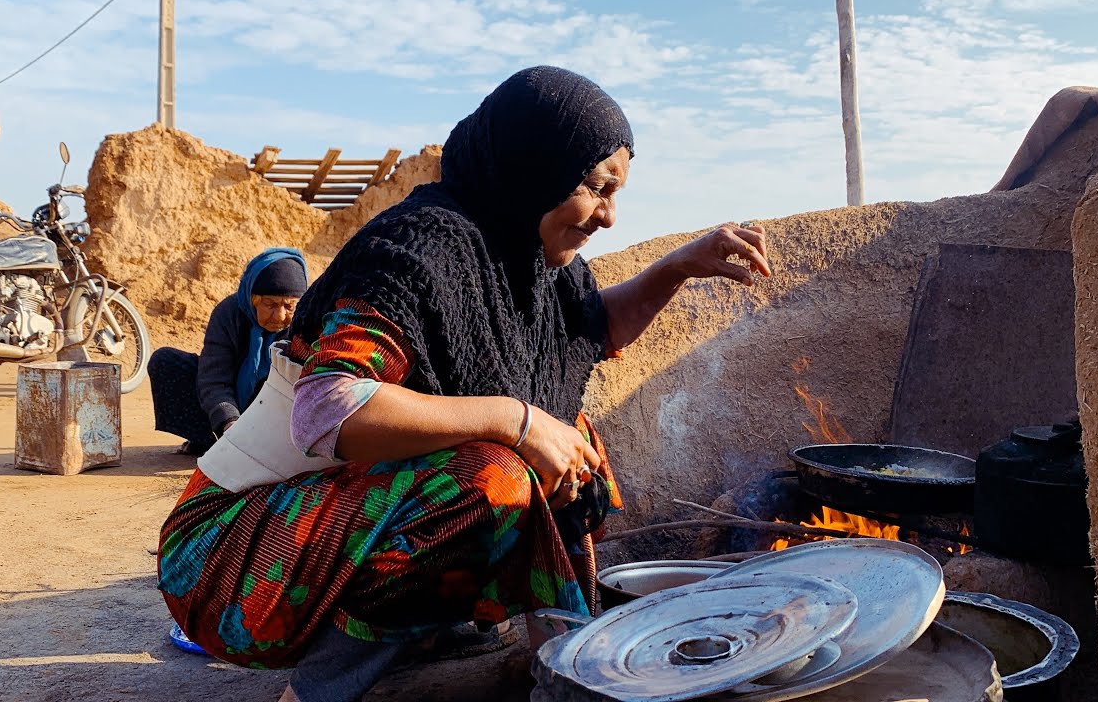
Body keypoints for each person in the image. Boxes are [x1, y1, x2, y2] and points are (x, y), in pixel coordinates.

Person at [157, 66, 771, 702]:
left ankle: (541, 651)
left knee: (571, 444)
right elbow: (327, 410)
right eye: (596, 188)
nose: (609, 217)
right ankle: (320, 689)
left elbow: (590, 329)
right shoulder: (416, 248)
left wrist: (676, 268)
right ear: (537, 165)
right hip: (225, 558)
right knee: (493, 477)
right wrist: (516, 420)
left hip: (312, 529)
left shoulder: (521, 256)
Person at [147, 248, 309, 456]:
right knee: (166, 361)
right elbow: (214, 376)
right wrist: (229, 420)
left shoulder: (307, 320)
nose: (279, 316)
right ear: (253, 299)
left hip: (277, 409)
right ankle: (210, 440)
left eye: (289, 306)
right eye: (270, 304)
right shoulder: (228, 313)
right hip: (230, 405)